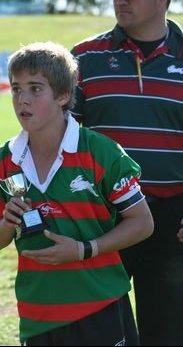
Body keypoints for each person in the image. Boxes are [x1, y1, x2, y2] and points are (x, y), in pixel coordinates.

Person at [0, 41, 154, 346]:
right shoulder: (3, 162)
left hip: (99, 307)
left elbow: (142, 223)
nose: (22, 99)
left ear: (63, 95)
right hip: (37, 316)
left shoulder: (100, 153)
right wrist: (7, 222)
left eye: (35, 89)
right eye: (15, 88)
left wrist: (83, 249)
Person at [71, 0, 183, 346]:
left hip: (173, 223)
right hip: (101, 216)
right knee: (100, 335)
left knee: (168, 335)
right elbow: (66, 142)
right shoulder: (83, 57)